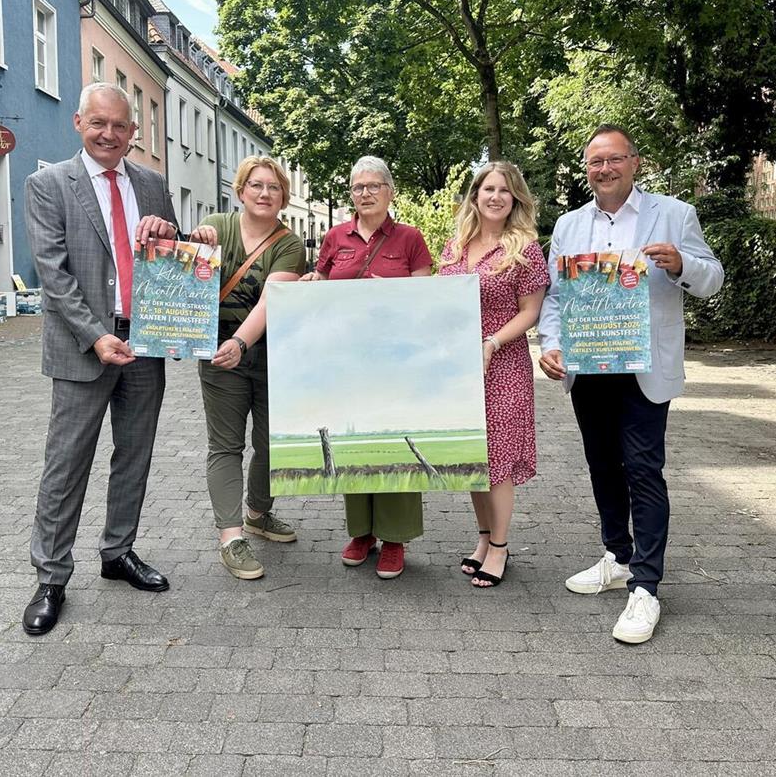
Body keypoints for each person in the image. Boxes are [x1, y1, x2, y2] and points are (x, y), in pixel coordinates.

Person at [538, 124, 724, 643]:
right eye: (595, 161)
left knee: (643, 468)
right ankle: (617, 556)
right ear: (587, 167)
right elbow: (554, 297)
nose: (604, 169)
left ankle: (646, 586)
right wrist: (550, 344)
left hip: (644, 367)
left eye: (614, 159)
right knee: (602, 465)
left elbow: (713, 278)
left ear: (634, 162)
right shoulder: (570, 225)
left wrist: (683, 263)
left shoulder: (674, 214)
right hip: (591, 364)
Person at [22, 82, 179, 636]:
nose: (110, 135)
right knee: (66, 465)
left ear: (134, 132)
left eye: (121, 126)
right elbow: (53, 274)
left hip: (144, 343)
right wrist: (94, 335)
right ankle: (51, 577)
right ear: (78, 123)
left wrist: (173, 232)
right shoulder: (48, 185)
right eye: (99, 124)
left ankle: (118, 552)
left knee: (133, 455)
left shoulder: (153, 184)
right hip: (82, 347)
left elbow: (174, 258)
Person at [301, 156, 433, 579]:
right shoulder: (335, 236)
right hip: (345, 361)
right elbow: (320, 285)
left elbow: (428, 295)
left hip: (396, 360)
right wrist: (308, 287)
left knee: (395, 442)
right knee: (353, 441)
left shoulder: (410, 238)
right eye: (358, 187)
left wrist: (397, 292)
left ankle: (394, 538)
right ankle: (362, 532)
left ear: (390, 192)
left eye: (374, 186)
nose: (366, 193)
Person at [189, 156, 305, 580]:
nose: (264, 193)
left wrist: (242, 341)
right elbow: (184, 277)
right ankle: (231, 536)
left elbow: (271, 301)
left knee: (272, 443)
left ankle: (258, 513)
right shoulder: (216, 227)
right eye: (256, 185)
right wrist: (194, 243)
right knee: (226, 445)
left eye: (273, 188)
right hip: (221, 359)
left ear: (283, 198)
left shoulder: (289, 244)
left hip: (274, 357)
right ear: (240, 190)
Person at [438, 162, 549, 587]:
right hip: (460, 368)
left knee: (498, 460)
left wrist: (491, 342)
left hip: (503, 363)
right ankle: (484, 539)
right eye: (488, 188)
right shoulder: (456, 245)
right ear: (475, 195)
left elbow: (531, 312)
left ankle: (500, 547)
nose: (495, 196)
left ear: (515, 198)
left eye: (505, 190)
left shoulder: (524, 248)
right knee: (473, 456)